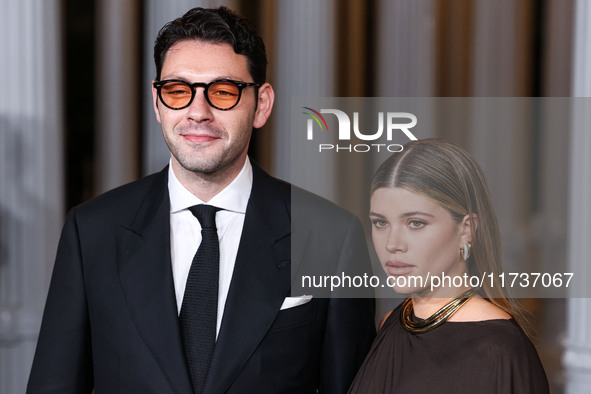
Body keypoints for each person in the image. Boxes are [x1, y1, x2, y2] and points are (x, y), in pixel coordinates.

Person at [27, 7, 375, 394]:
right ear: (157, 103)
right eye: (177, 90)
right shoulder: (91, 231)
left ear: (261, 104)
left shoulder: (332, 237)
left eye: (223, 92)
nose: (197, 112)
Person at [348, 139, 549, 393]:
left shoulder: (498, 348)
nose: (392, 244)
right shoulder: (392, 324)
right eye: (380, 223)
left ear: (466, 229)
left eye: (416, 223)